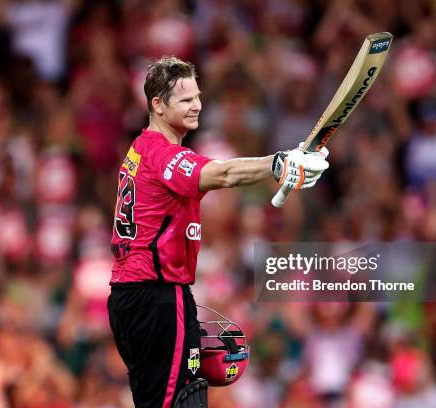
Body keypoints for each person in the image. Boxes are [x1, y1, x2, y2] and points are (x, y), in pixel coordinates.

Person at [108, 56, 329, 408]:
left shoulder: (141, 150)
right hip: (158, 294)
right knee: (182, 401)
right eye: (185, 99)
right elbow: (223, 174)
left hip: (130, 295)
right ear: (158, 105)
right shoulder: (162, 155)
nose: (197, 105)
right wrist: (278, 163)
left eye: (197, 96)